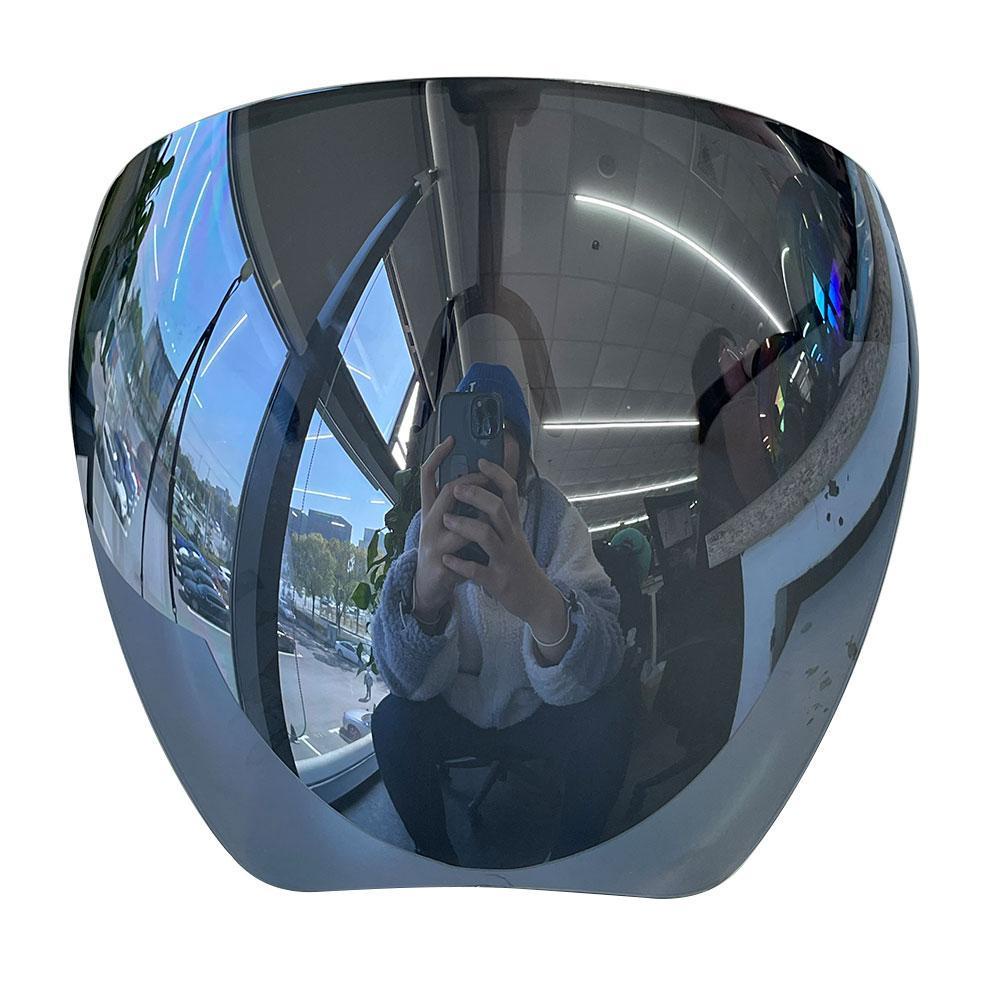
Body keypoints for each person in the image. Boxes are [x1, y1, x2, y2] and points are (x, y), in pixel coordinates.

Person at [370, 363, 629, 864]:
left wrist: (541, 603)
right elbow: (402, 681)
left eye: (501, 428)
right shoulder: (428, 523)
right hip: (455, 710)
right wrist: (424, 603)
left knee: (612, 713)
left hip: (537, 708)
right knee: (393, 723)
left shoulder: (553, 516)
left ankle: (575, 864)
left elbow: (607, 654)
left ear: (524, 450)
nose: (486, 442)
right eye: (468, 423)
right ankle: (436, 859)